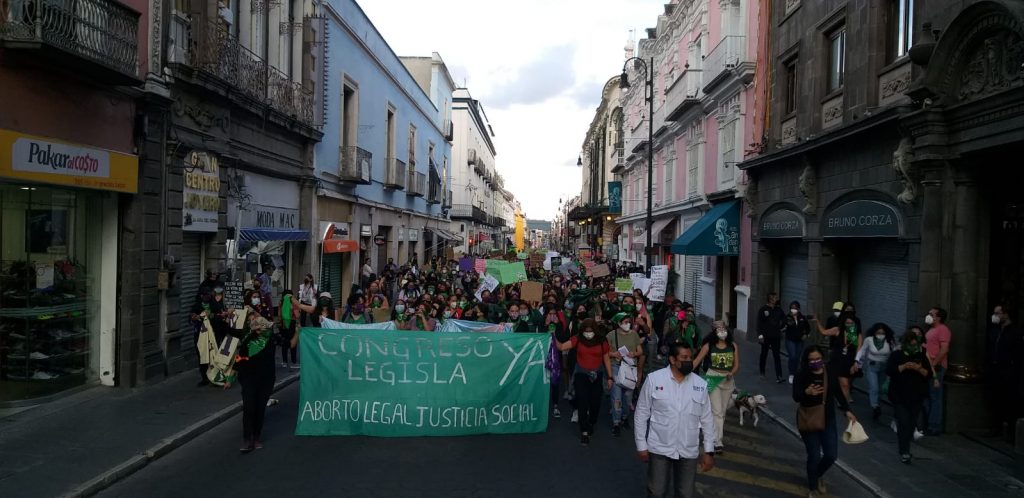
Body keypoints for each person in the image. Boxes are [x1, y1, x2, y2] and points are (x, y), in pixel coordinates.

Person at [634, 343, 716, 498]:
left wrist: (709, 451)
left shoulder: (700, 385)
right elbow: (641, 413)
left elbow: (707, 419)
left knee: (685, 493)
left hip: (688, 449)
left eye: (690, 358)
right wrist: (641, 445)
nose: (689, 361)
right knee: (657, 492)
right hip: (659, 448)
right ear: (672, 359)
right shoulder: (654, 380)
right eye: (684, 358)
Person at [792, 345, 857, 497]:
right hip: (808, 419)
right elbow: (796, 396)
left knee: (831, 455)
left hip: (828, 419)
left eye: (818, 359)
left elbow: (838, 393)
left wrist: (847, 410)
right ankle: (813, 488)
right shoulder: (802, 374)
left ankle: (817, 474)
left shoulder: (829, 372)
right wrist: (806, 392)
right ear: (806, 361)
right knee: (814, 455)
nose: (815, 362)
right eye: (812, 360)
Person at [553, 318, 612, 445]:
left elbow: (606, 359)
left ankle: (591, 422)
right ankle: (584, 431)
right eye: (586, 331)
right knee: (582, 403)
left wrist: (610, 377)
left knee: (595, 404)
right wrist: (552, 335)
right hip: (581, 375)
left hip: (597, 375)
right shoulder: (577, 339)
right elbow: (562, 346)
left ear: (595, 330)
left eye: (591, 331)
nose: (588, 333)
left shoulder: (602, 341)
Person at [226, 311, 276, 453]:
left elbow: (289, 344)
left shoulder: (272, 339)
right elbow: (238, 361)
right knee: (249, 408)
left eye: (267, 328)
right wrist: (230, 379)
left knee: (260, 409)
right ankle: (247, 439)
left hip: (266, 380)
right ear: (257, 330)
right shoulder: (248, 342)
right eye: (263, 328)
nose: (266, 330)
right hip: (249, 379)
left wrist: (298, 332)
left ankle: (257, 437)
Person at [692, 320, 740, 454]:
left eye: (723, 327)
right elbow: (696, 361)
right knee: (717, 412)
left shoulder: (733, 346)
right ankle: (717, 441)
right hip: (713, 377)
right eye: (718, 328)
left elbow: (736, 365)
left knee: (722, 412)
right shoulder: (708, 346)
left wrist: (732, 372)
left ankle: (714, 435)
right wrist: (685, 372)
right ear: (714, 331)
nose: (721, 330)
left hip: (727, 381)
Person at [886, 332, 932, 463]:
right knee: (903, 421)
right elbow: (889, 370)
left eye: (915, 344)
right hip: (899, 394)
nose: (913, 347)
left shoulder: (921, 356)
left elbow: (927, 373)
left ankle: (906, 446)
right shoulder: (896, 355)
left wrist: (918, 368)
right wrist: (904, 366)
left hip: (916, 395)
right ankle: (904, 450)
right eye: (910, 344)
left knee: (911, 423)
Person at [986, 304, 1023, 440]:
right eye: (994, 313)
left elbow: (1017, 353)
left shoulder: (1015, 332)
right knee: (995, 399)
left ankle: (1012, 432)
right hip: (995, 369)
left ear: (1006, 314)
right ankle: (995, 427)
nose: (995, 316)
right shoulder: (994, 330)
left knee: (1010, 401)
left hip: (1008, 370)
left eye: (998, 313)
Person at [606, 312, 644, 437]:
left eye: (628, 322)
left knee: (628, 397)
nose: (627, 324)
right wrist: (614, 354)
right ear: (618, 323)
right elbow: (606, 353)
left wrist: (634, 354)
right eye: (624, 322)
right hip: (616, 367)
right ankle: (616, 422)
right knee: (616, 397)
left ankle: (625, 417)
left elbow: (640, 351)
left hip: (630, 368)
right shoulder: (611, 335)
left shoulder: (634, 334)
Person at [814, 312, 860, 404]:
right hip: (837, 360)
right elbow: (824, 332)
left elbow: (859, 348)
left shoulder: (855, 334)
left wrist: (856, 362)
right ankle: (843, 403)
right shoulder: (837, 330)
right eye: (847, 323)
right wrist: (817, 322)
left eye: (851, 323)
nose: (849, 325)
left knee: (845, 384)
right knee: (843, 383)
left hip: (848, 361)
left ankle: (843, 401)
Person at [855, 323, 896, 420]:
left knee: (881, 389)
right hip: (872, 366)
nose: (880, 335)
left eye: (882, 333)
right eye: (878, 333)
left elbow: (894, 353)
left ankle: (878, 404)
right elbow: (862, 351)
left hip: (884, 367)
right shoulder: (869, 340)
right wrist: (857, 362)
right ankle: (875, 406)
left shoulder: (889, 341)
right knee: (874, 388)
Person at [924, 306, 951, 435]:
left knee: (935, 397)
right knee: (928, 396)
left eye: (931, 314)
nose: (928, 316)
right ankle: (928, 422)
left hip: (937, 367)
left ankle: (934, 426)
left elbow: (944, 349)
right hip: (928, 366)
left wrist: (933, 365)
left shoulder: (943, 330)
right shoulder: (931, 330)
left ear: (938, 317)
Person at [757, 292, 786, 383]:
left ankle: (779, 375)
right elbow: (759, 323)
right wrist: (760, 335)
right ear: (770, 299)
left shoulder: (778, 310)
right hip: (765, 336)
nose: (776, 299)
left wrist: (782, 327)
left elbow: (784, 319)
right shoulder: (763, 310)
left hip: (775, 336)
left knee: (776, 356)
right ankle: (762, 372)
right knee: (764, 354)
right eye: (774, 297)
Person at [782, 301, 810, 385]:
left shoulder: (802, 318)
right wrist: (784, 326)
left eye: (795, 308)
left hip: (800, 340)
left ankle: (796, 372)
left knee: (797, 357)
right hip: (790, 340)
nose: (793, 310)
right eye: (792, 308)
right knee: (793, 356)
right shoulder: (787, 318)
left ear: (798, 309)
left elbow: (808, 328)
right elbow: (782, 327)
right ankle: (791, 373)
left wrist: (806, 335)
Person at [278, 289, 298, 369]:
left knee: (284, 342)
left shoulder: (281, 302)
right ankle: (293, 361)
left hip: (283, 324)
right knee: (294, 341)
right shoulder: (293, 303)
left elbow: (279, 314)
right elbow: (297, 315)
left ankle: (284, 361)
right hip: (292, 324)